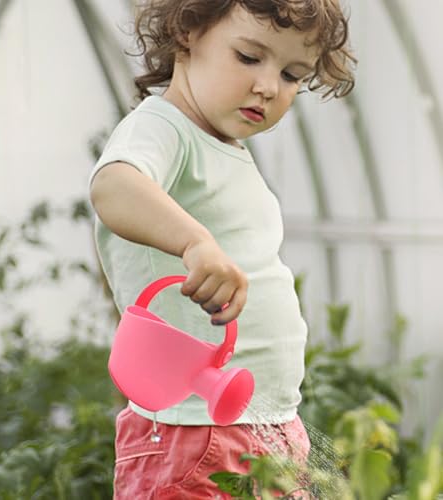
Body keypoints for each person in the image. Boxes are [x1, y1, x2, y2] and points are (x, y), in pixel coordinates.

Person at [89, 0, 355, 497]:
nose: (269, 86)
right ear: (186, 32)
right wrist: (195, 244)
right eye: (249, 57)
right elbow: (114, 186)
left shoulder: (226, 146)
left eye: (292, 75)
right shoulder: (164, 128)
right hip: (194, 430)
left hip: (263, 423)